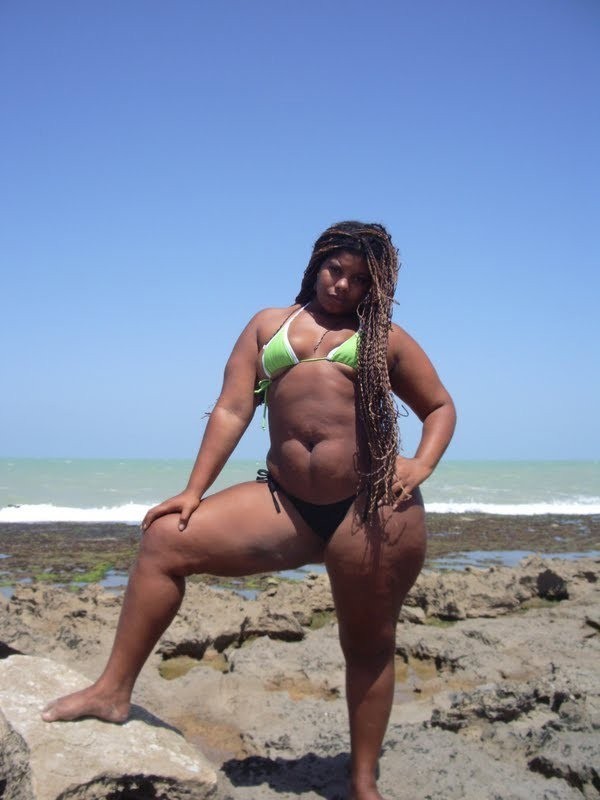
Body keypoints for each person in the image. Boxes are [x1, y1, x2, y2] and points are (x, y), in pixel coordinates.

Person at [42, 221, 456, 800]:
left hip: (370, 510)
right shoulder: (269, 325)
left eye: (360, 279)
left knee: (367, 645)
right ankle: (111, 692)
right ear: (316, 264)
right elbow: (233, 410)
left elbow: (439, 406)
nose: (342, 285)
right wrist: (193, 491)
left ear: (376, 286)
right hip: (286, 503)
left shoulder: (385, 339)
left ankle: (363, 781)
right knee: (164, 541)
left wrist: (421, 465)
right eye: (335, 270)